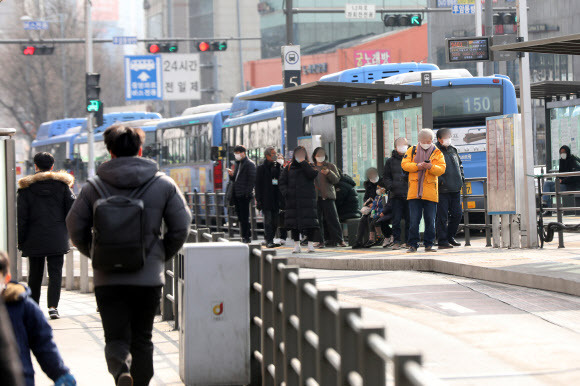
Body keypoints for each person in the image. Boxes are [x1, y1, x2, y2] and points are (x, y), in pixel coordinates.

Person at [66, 125, 191, 386]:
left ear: (109, 152)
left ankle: (122, 367)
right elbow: (181, 225)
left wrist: (95, 254)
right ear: (141, 149)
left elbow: (74, 226)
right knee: (142, 337)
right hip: (147, 278)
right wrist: (158, 254)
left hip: (107, 278)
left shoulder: (93, 187)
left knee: (115, 337)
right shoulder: (163, 184)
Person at [0, 252, 76, 386]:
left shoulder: (22, 306)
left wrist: (59, 372)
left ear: (7, 278)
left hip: (18, 379)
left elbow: (42, 342)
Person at [17, 152, 75, 320]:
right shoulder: (63, 187)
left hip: (33, 237)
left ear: (35, 166)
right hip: (57, 236)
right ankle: (53, 308)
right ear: (52, 166)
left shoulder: (26, 188)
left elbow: (22, 217)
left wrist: (21, 239)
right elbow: (72, 211)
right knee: (55, 273)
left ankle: (33, 308)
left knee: (34, 274)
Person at [401, 129, 446, 253]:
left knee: (430, 221)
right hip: (414, 192)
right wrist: (418, 166)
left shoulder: (437, 152)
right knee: (414, 220)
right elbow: (404, 165)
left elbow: (441, 169)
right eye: (424, 141)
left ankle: (429, 244)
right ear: (419, 140)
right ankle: (413, 245)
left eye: (429, 141)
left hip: (430, 192)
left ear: (432, 140)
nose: (427, 143)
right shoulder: (412, 150)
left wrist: (430, 167)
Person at [279, 146, 319, 254]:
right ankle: (297, 245)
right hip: (293, 200)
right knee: (294, 224)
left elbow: (313, 175)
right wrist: (286, 192)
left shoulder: (309, 165)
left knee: (310, 222)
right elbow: (282, 182)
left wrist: (304, 163)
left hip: (307, 200)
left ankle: (310, 244)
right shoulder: (289, 167)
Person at [435, 129, 465, 249]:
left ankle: (450, 236)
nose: (448, 138)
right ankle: (442, 241)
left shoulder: (453, 149)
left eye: (449, 136)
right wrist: (440, 181)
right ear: (439, 139)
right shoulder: (434, 151)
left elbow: (460, 164)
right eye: (446, 137)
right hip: (442, 190)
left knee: (457, 214)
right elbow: (432, 168)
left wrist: (461, 177)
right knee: (442, 216)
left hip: (455, 188)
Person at [312, 147, 346, 248]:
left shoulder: (330, 166)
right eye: (318, 155)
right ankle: (319, 241)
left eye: (322, 154)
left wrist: (328, 173)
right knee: (317, 220)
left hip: (328, 196)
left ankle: (339, 240)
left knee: (333, 219)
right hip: (315, 198)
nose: (320, 157)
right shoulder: (311, 167)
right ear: (314, 156)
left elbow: (336, 180)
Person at [383, 138, 410, 250]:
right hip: (396, 195)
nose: (403, 146)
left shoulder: (412, 158)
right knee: (396, 220)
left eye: (405, 144)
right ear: (395, 147)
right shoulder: (390, 161)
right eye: (400, 145)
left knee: (410, 219)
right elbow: (386, 177)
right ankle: (397, 242)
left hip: (410, 194)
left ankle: (409, 241)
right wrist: (391, 186)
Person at [228, 145, 257, 243]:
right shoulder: (238, 164)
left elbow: (252, 180)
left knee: (245, 217)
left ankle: (247, 237)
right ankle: (243, 235)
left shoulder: (250, 164)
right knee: (240, 217)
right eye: (235, 153)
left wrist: (247, 193)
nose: (236, 155)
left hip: (244, 195)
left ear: (243, 153)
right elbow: (235, 179)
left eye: (237, 153)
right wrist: (231, 175)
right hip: (237, 194)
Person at [255, 147, 282, 248]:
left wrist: (280, 166)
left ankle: (270, 239)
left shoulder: (278, 167)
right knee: (268, 221)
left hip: (276, 199)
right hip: (266, 199)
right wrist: (259, 200)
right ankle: (269, 240)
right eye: (273, 154)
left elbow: (281, 180)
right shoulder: (261, 168)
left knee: (275, 222)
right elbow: (257, 185)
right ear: (267, 156)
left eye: (276, 153)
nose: (275, 155)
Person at [351, 168, 383, 249]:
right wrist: (370, 204)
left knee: (370, 218)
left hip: (381, 207)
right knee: (363, 219)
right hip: (372, 208)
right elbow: (366, 198)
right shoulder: (368, 184)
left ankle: (373, 239)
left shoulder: (382, 182)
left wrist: (376, 203)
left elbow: (385, 196)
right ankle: (358, 241)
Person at [542, 145, 580, 210]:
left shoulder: (572, 161)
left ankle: (546, 208)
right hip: (562, 183)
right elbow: (561, 174)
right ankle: (545, 202)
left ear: (567, 152)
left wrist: (562, 181)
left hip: (570, 186)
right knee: (546, 183)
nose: (562, 154)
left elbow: (573, 177)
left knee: (551, 189)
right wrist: (560, 180)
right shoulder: (562, 161)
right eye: (561, 152)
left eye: (564, 152)